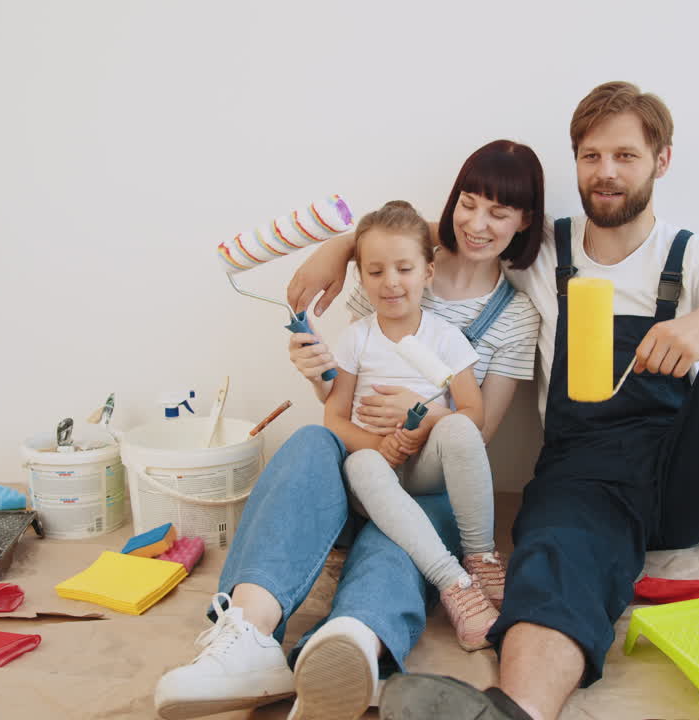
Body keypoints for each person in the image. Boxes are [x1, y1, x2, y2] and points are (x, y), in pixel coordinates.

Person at [289, 82, 699, 720]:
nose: (606, 172)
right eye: (591, 156)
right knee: (555, 559)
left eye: (626, 155)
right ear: (576, 162)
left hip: (681, 474)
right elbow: (439, 236)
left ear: (661, 161)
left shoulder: (693, 257)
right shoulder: (542, 246)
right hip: (586, 474)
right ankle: (515, 709)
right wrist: (341, 249)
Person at [153, 140, 543, 720]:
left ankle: (353, 646)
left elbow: (474, 433)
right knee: (314, 441)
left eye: (500, 212)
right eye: (468, 202)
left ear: (524, 221)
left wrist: (424, 416)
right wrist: (321, 367)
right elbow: (343, 402)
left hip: (435, 477)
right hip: (367, 460)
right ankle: (250, 628)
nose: (477, 223)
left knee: (400, 540)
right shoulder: (392, 267)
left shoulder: (515, 314)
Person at [327, 200, 503, 652]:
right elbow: (333, 416)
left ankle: (480, 558)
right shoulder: (357, 338)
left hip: (425, 468)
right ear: (361, 278)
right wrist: (377, 446)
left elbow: (473, 414)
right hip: (377, 478)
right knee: (362, 464)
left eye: (404, 268)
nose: (390, 283)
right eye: (376, 271)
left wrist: (423, 427)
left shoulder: (444, 338)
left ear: (427, 271)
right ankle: (454, 584)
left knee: (459, 431)